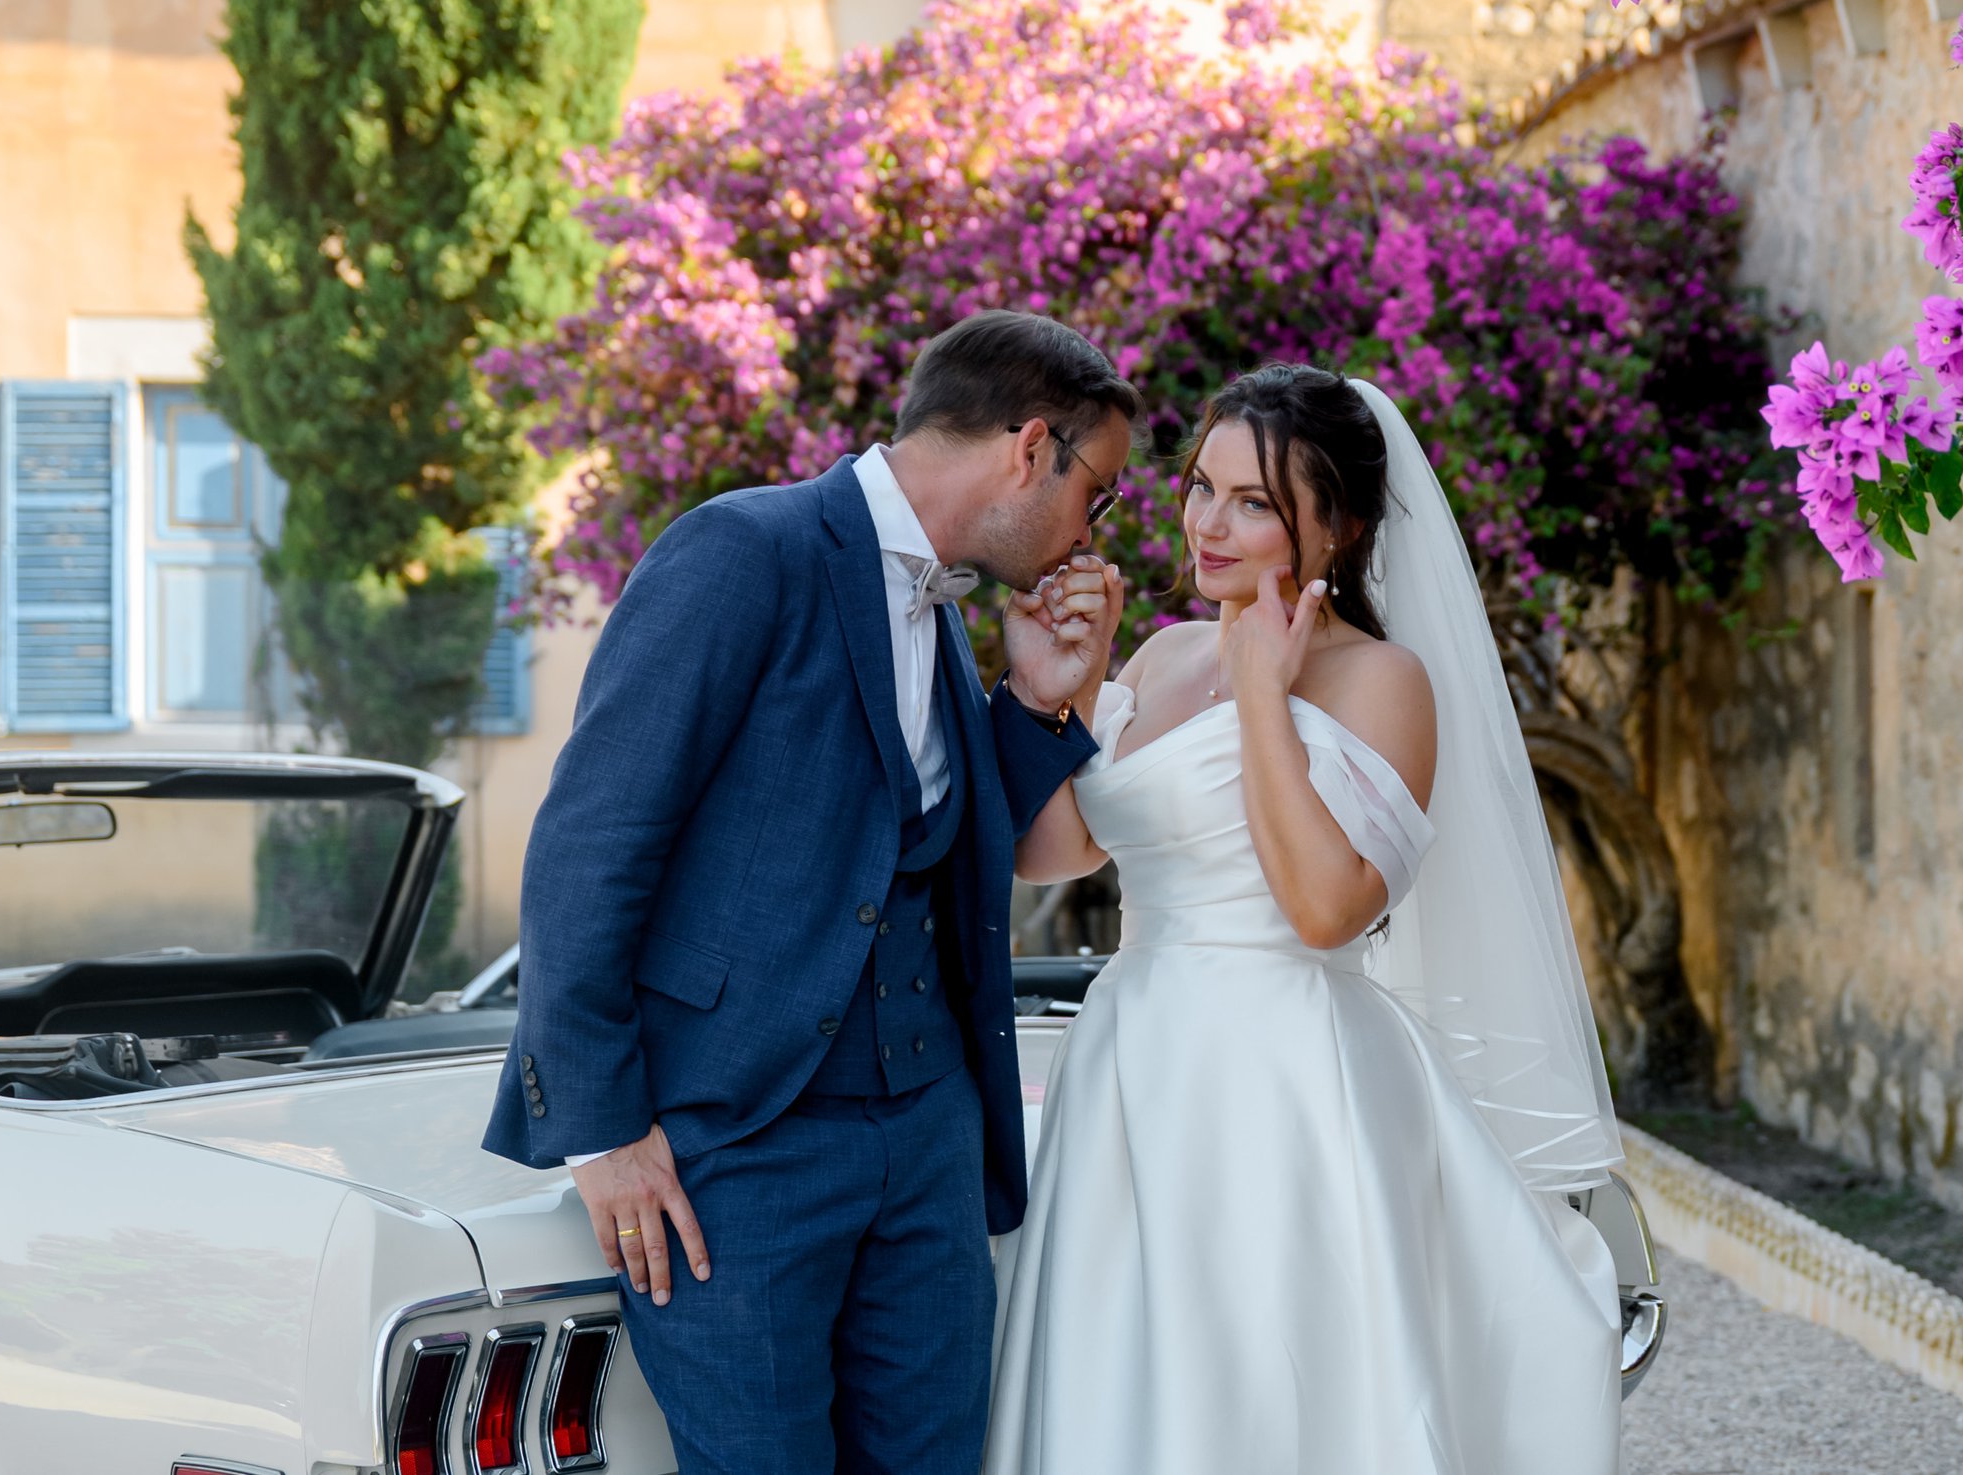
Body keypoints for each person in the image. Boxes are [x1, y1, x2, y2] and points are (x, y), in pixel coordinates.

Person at [482, 310, 1139, 1475]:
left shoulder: (942, 607)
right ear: (1031, 448)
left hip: (926, 1144)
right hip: (734, 1152)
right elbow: (590, 840)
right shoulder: (744, 551)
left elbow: (950, 843)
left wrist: (1037, 701)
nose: (1097, 525)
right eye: (1100, 489)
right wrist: (605, 1131)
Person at [987, 364, 1627, 1475]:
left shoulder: (1383, 681)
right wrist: (1060, 697)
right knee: (1131, 1381)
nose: (1208, 525)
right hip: (1133, 1058)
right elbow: (1060, 855)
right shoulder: (1166, 651)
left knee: (1279, 1385)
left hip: (1287, 1076)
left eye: (1255, 504)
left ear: (1342, 526)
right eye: (1201, 488)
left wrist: (1264, 698)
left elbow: (1327, 910)